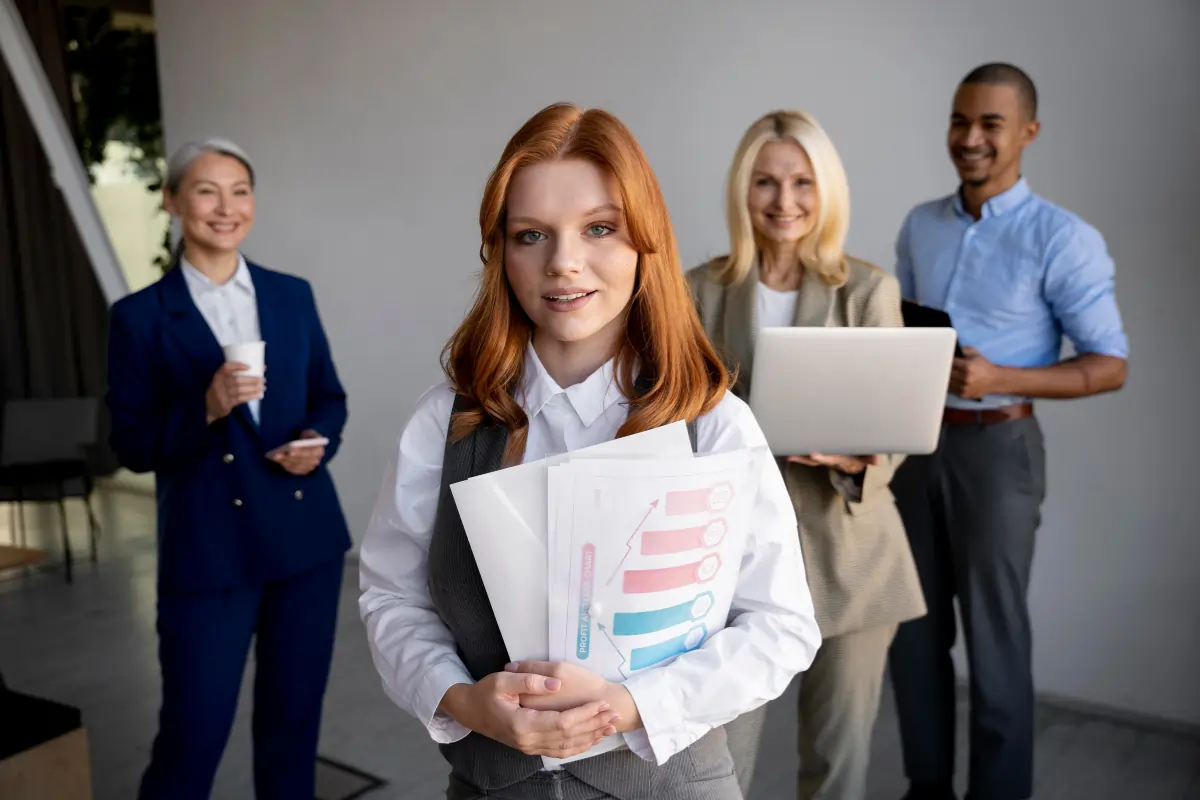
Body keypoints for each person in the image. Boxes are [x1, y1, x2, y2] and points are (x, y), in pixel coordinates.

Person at [358, 102, 821, 800]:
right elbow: (392, 596)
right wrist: (459, 698)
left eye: (599, 228)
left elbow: (782, 627)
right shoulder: (446, 420)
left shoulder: (714, 423)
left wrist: (629, 706)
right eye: (531, 235)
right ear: (500, 253)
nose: (563, 264)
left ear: (645, 241)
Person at [887, 63, 1129, 800]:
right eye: (960, 120)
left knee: (995, 643)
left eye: (990, 124)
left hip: (999, 450)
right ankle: (926, 787)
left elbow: (1109, 365)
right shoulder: (920, 224)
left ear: (1027, 132)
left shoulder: (1064, 238)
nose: (969, 138)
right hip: (914, 447)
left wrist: (1003, 379)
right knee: (913, 635)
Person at [687, 110, 928, 799]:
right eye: (765, 181)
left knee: (835, 766)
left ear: (827, 190)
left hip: (847, 554)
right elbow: (667, 413)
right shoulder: (697, 289)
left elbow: (897, 428)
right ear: (743, 189)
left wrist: (857, 458)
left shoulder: (868, 289)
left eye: (801, 182)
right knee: (716, 767)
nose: (784, 201)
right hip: (729, 561)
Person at [106, 138, 351, 799]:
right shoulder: (138, 319)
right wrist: (206, 407)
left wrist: (317, 439)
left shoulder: (291, 296)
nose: (226, 206)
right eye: (207, 190)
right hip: (207, 554)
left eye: (239, 190)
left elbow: (329, 396)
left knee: (292, 728)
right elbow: (129, 445)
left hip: (305, 546)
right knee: (192, 735)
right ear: (173, 200)